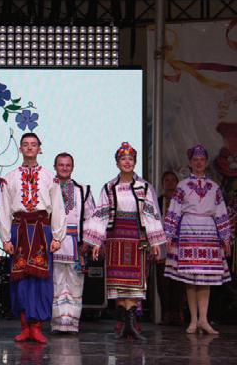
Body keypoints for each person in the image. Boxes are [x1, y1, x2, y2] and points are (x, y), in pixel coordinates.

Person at [84, 142, 166, 340]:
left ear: (135, 162)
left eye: (130, 159)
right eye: (123, 159)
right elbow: (101, 215)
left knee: (135, 282)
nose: (127, 162)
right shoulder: (109, 187)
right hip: (115, 238)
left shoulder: (143, 187)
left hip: (136, 237)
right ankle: (126, 324)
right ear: (117, 163)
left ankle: (130, 323)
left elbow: (151, 214)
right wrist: (96, 242)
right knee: (118, 283)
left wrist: (155, 242)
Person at [0, 132, 67, 344]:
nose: (29, 148)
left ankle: (36, 327)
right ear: (20, 149)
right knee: (20, 279)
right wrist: (5, 238)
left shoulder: (50, 177)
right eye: (26, 144)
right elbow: (4, 209)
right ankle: (24, 326)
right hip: (19, 230)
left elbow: (58, 208)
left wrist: (58, 236)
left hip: (42, 230)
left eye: (33, 144)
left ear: (39, 148)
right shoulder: (9, 178)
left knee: (41, 279)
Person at [164, 145, 233, 335]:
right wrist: (169, 234)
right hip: (189, 231)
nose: (199, 162)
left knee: (205, 277)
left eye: (202, 159)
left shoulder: (214, 187)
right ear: (190, 162)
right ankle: (193, 320)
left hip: (209, 232)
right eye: (195, 160)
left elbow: (221, 212)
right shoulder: (182, 186)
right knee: (191, 277)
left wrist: (225, 237)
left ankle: (204, 319)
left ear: (206, 162)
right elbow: (174, 209)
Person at [51, 153, 95, 334]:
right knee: (56, 282)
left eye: (68, 165)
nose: (64, 168)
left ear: (73, 167)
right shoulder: (49, 188)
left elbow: (91, 217)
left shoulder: (82, 190)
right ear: (55, 167)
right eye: (61, 165)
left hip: (76, 244)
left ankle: (72, 324)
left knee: (76, 284)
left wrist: (88, 241)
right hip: (54, 243)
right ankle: (57, 323)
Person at [155, 171, 185, 325]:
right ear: (162, 183)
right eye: (167, 180)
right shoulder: (158, 201)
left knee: (178, 280)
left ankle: (178, 313)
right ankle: (166, 313)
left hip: (179, 244)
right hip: (161, 245)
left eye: (173, 180)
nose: (170, 182)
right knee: (162, 281)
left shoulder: (182, 202)